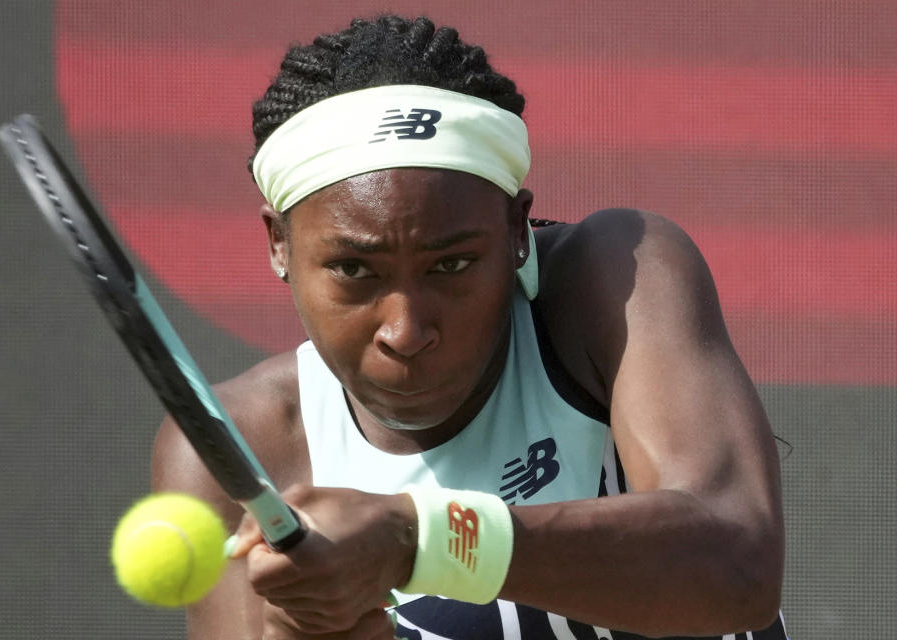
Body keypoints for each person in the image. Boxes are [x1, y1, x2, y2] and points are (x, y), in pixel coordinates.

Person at [152, 15, 788, 640]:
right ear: (279, 245)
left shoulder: (613, 276)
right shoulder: (236, 451)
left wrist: (420, 538)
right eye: (353, 269)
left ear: (517, 229)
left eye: (452, 264)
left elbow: (738, 561)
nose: (406, 331)